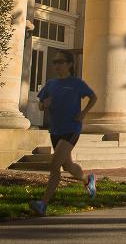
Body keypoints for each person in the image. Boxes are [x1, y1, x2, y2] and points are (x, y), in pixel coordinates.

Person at [29, 51, 97, 216]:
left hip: (71, 128)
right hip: (55, 130)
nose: (56, 65)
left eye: (60, 62)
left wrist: (84, 113)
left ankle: (42, 204)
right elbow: (40, 105)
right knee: (68, 165)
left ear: (69, 64)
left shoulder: (76, 83)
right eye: (54, 62)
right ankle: (88, 180)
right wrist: (43, 104)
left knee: (54, 165)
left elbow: (93, 97)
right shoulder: (51, 84)